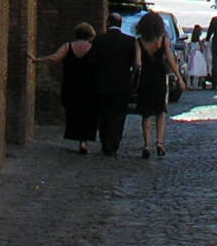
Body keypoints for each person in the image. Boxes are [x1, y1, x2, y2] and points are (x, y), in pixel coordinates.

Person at [32, 23, 100, 153]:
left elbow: (54, 58)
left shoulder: (68, 46)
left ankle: (77, 135)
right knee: (87, 114)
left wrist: (38, 60)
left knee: (74, 112)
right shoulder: (94, 48)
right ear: (90, 35)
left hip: (71, 86)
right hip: (90, 88)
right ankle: (84, 142)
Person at [88, 18, 139, 158]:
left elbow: (92, 62)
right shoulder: (129, 41)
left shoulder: (99, 40)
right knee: (119, 116)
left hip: (103, 83)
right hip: (122, 84)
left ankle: (105, 143)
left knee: (104, 115)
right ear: (120, 24)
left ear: (108, 23)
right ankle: (114, 144)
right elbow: (135, 64)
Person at [132, 9, 177, 158]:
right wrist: (179, 78)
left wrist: (134, 75)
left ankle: (147, 144)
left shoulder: (139, 41)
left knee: (146, 113)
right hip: (159, 78)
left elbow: (138, 63)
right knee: (160, 111)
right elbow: (170, 60)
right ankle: (159, 142)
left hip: (146, 79)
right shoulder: (163, 40)